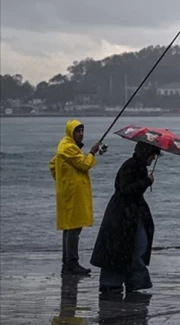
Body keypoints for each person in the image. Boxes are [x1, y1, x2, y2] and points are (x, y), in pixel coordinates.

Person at [91, 142, 160, 293]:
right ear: (145, 153)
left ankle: (131, 281)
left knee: (134, 246)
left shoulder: (138, 166)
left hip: (128, 214)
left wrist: (145, 181)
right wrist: (147, 181)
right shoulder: (130, 166)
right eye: (152, 155)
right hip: (122, 215)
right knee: (128, 248)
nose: (154, 158)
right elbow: (126, 190)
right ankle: (123, 282)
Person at [49, 119, 102, 276]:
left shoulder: (66, 146)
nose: (81, 134)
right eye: (78, 131)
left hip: (69, 193)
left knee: (69, 227)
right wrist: (92, 152)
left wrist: (63, 179)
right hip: (72, 195)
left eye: (82, 131)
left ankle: (67, 263)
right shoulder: (68, 147)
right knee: (74, 228)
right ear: (71, 132)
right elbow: (84, 165)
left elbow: (52, 165)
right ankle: (72, 263)